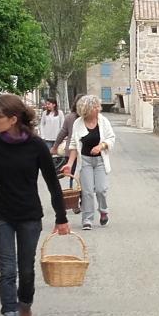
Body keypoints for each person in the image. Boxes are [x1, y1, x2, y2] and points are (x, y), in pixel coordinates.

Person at [0, 94, 71, 316]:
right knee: (7, 271)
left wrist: (61, 217)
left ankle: (25, 306)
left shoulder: (36, 146)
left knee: (26, 269)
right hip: (1, 216)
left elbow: (53, 183)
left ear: (13, 119)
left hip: (29, 215)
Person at [60, 95, 116, 231]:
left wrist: (101, 146)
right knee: (87, 191)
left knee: (101, 189)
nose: (99, 108)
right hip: (84, 160)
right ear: (89, 109)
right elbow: (73, 144)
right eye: (96, 106)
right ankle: (87, 219)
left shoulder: (103, 121)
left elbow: (111, 138)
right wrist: (69, 163)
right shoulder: (78, 123)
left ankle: (103, 210)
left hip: (100, 160)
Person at [51, 100, 80, 189]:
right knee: (76, 174)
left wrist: (55, 147)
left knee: (73, 174)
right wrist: (55, 147)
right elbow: (63, 133)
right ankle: (77, 193)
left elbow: (62, 133)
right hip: (75, 151)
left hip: (71, 150)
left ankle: (73, 193)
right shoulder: (71, 117)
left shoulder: (69, 117)